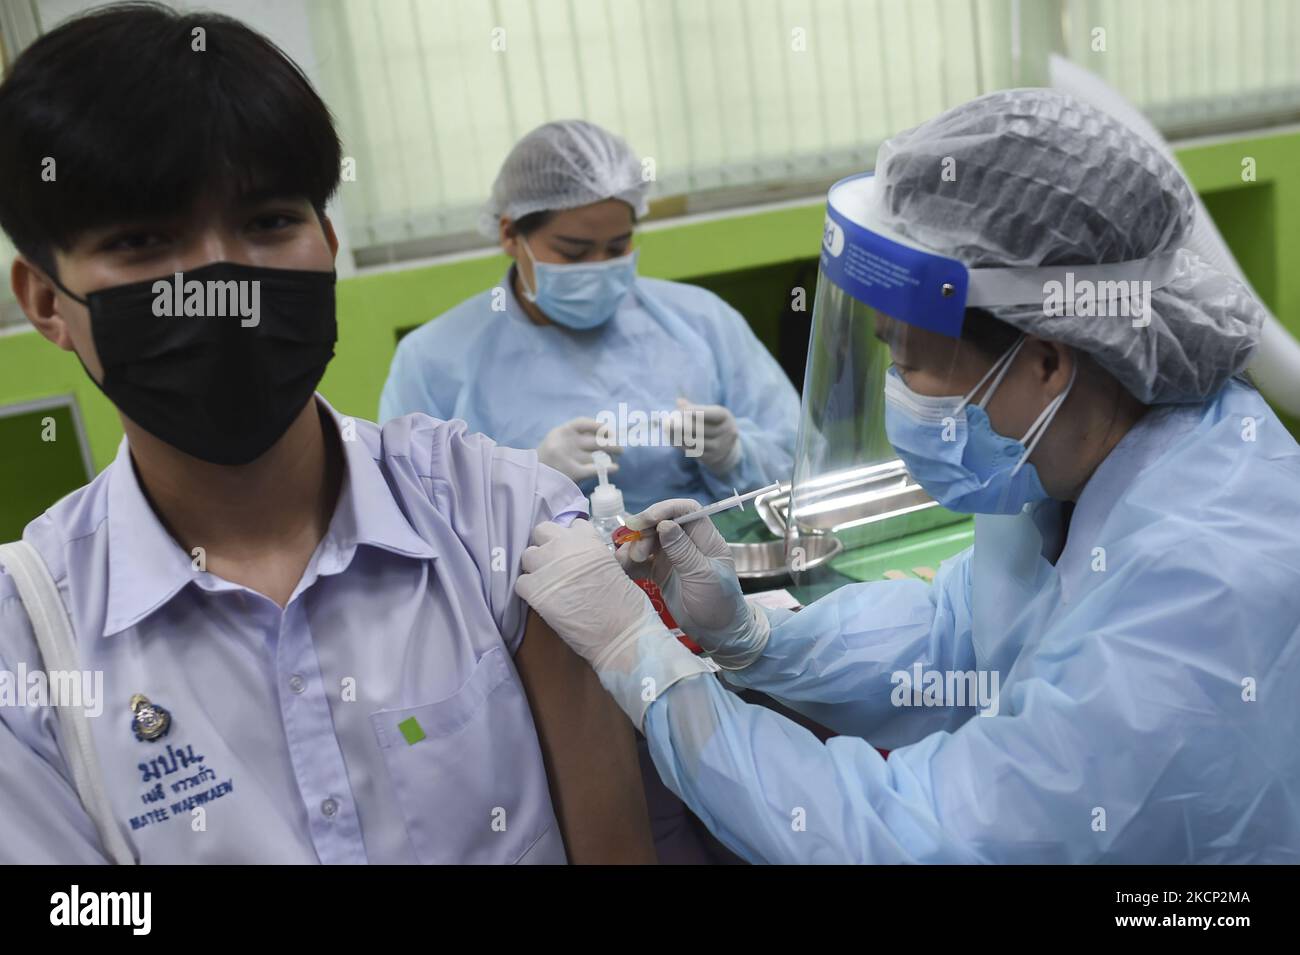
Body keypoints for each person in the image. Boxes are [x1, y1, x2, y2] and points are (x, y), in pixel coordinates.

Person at [514, 89, 1300, 863]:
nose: (895, 386)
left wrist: (646, 664)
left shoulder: (1199, 584)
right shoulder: (1058, 459)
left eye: (909, 359)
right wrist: (753, 639)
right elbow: (956, 637)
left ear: (1047, 360)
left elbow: (919, 837)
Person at [0, 3, 654, 864]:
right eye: (142, 241)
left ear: (330, 242)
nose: (220, 284)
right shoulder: (30, 648)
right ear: (47, 302)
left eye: (268, 222)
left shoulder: (499, 518)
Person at [379, 119, 800, 513]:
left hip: (700, 571)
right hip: (531, 588)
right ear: (510, 234)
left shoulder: (702, 321)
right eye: (573, 252)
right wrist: (519, 484)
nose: (598, 266)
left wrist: (735, 454)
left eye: (617, 248)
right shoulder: (434, 360)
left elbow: (798, 461)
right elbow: (412, 512)